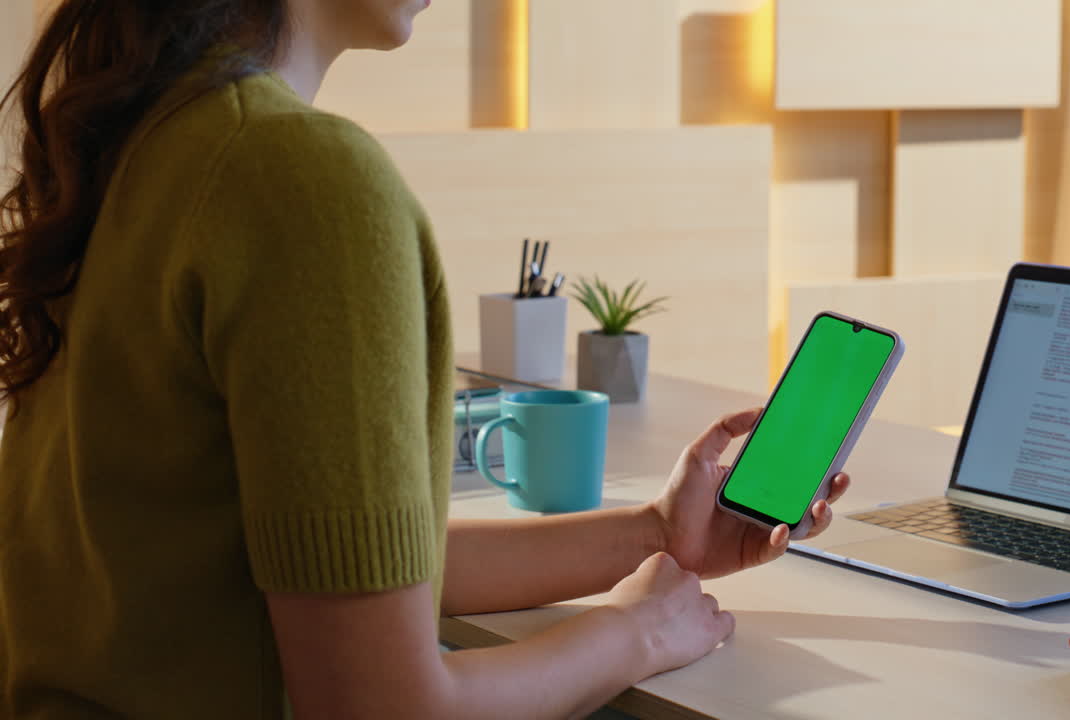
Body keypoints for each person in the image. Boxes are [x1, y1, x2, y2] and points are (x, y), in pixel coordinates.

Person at [0, 1, 849, 718]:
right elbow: (385, 704)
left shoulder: (135, 146)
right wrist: (637, 635)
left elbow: (346, 576)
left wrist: (657, 534)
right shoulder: (299, 180)